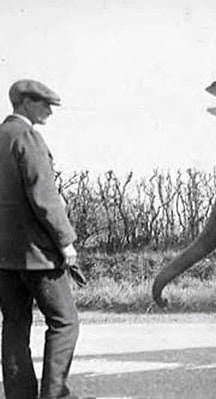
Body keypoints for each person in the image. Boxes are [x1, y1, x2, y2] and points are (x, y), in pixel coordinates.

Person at [0, 79, 82, 399]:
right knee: (65, 322)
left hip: (2, 256)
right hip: (37, 254)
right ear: (23, 103)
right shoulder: (27, 138)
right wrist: (65, 241)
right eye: (43, 103)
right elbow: (44, 197)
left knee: (15, 325)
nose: (49, 110)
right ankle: (55, 395)